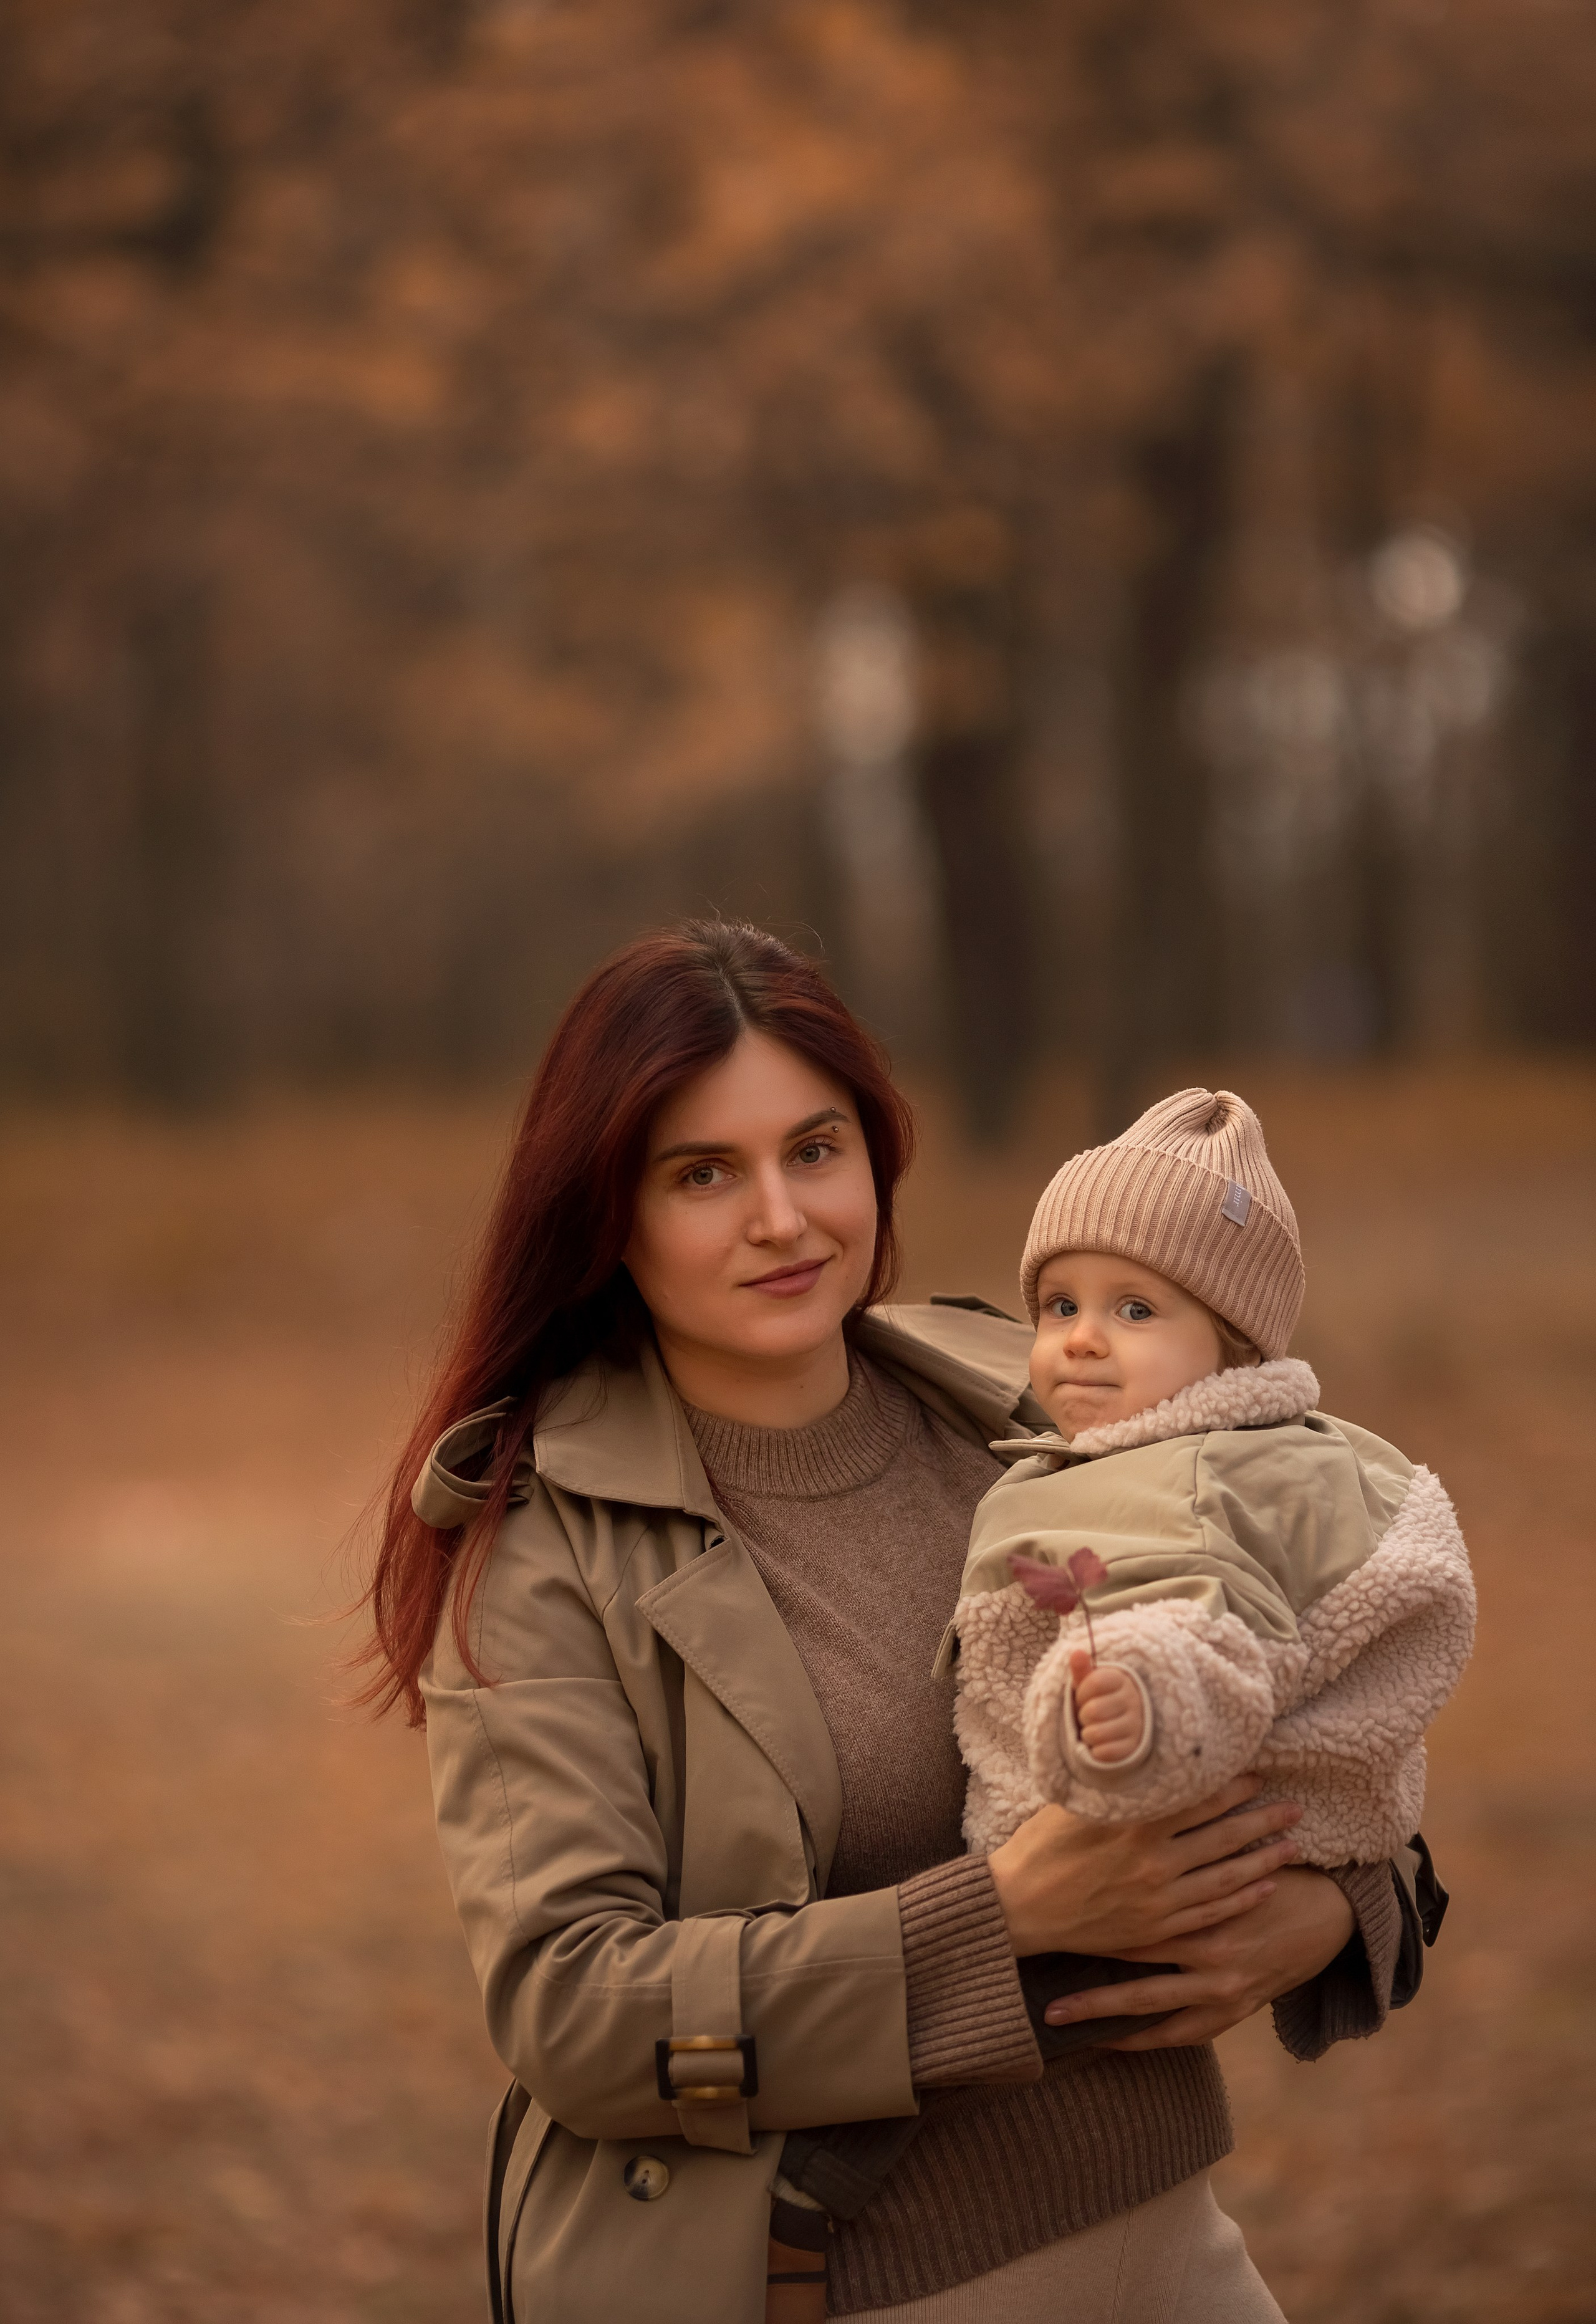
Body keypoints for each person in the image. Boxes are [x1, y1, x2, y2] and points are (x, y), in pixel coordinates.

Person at [358, 921, 1445, 2324]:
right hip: (842, 2285)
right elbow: (575, 2011)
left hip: (1178, 2252)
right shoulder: (543, 1544)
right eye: (702, 1173)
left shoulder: (1038, 1406)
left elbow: (1321, 1681)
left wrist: (1331, 1910)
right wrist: (997, 1918)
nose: (782, 1217)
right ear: (607, 1213)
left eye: (814, 1150)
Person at [953, 1087, 1476, 1863]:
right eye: (1060, 1305)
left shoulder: (1190, 1481)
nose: (1083, 1339)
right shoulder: (1144, 1454)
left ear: (1235, 1347)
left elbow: (1194, 1626)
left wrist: (1142, 1699)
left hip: (1126, 1842)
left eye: (1135, 1311)